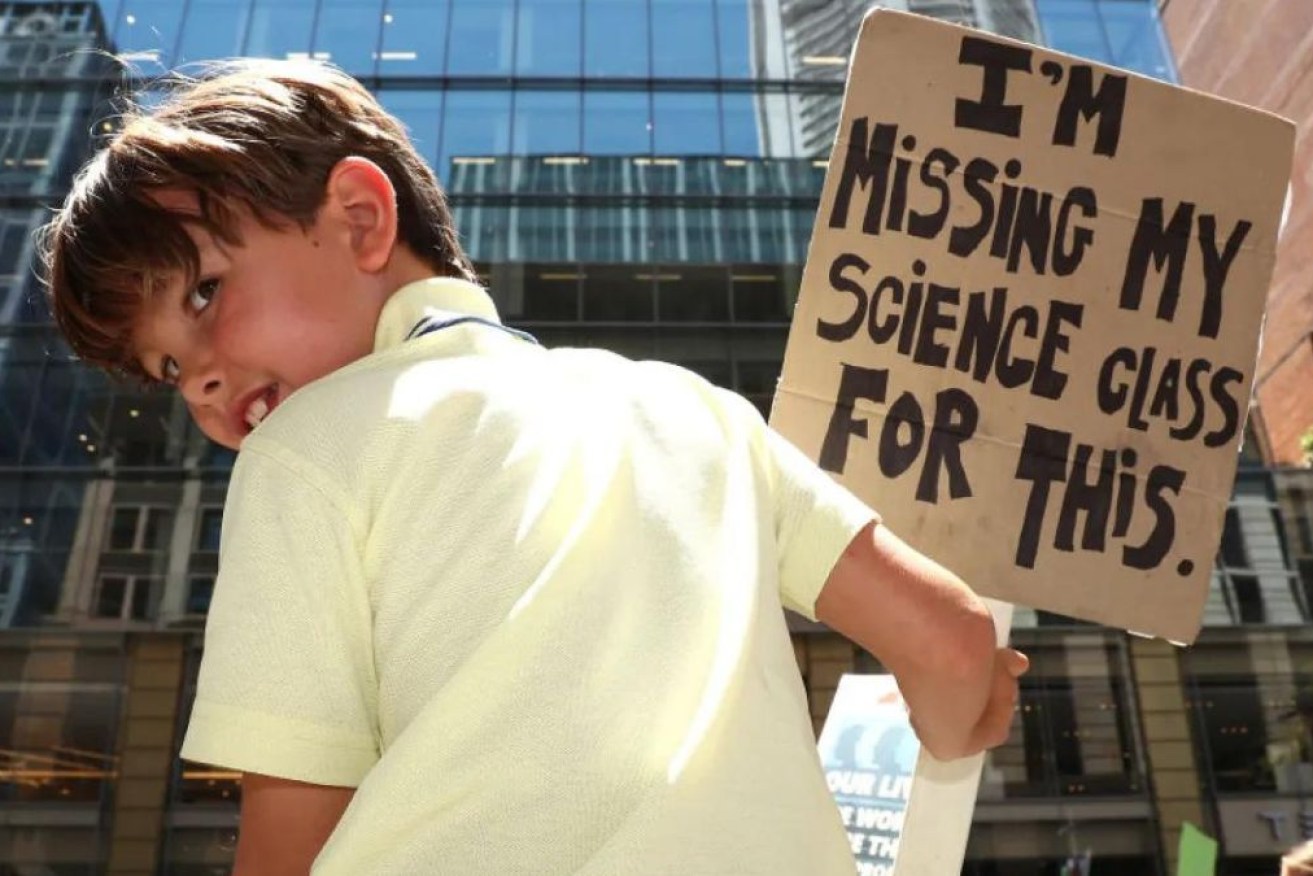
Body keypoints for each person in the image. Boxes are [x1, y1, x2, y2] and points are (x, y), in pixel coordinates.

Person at [39, 59, 1028, 875]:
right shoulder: (691, 408)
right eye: (166, 370)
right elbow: (945, 644)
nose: (201, 383)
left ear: (359, 217)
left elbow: (292, 835)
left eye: (205, 294)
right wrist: (957, 720)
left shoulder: (304, 451)